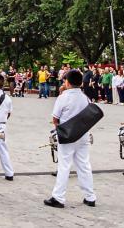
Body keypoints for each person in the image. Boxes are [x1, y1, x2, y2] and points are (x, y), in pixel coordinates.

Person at [44, 69, 96, 208]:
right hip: (83, 135)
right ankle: (90, 197)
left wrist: (59, 129)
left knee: (64, 166)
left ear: (67, 82)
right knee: (84, 165)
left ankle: (59, 197)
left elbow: (55, 119)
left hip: (67, 135)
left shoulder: (63, 97)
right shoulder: (85, 98)